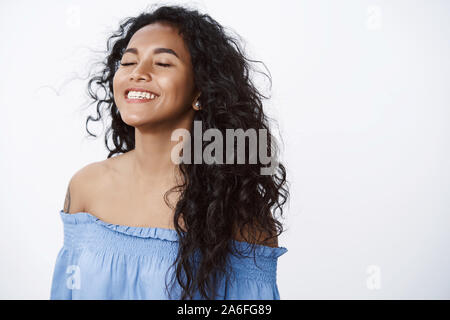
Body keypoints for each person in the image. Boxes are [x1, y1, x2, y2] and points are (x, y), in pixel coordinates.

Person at [50, 4, 289, 300]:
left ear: (200, 89)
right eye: (127, 63)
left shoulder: (235, 207)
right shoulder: (85, 187)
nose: (138, 73)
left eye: (162, 64)